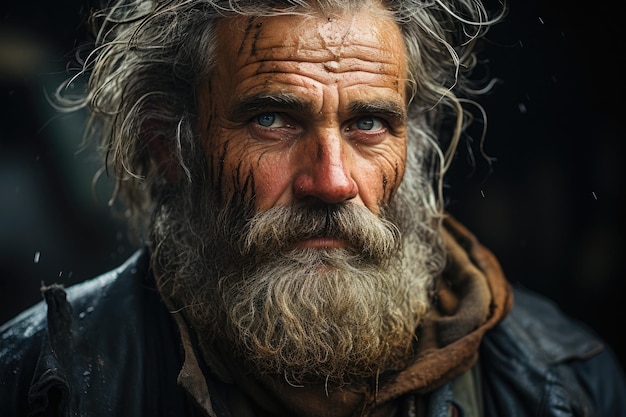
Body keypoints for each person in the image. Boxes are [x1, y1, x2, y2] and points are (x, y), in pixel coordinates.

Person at [1, 0, 624, 415]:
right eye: (272, 119)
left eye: (369, 123)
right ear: (171, 147)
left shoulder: (566, 382)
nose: (331, 182)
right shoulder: (36, 385)